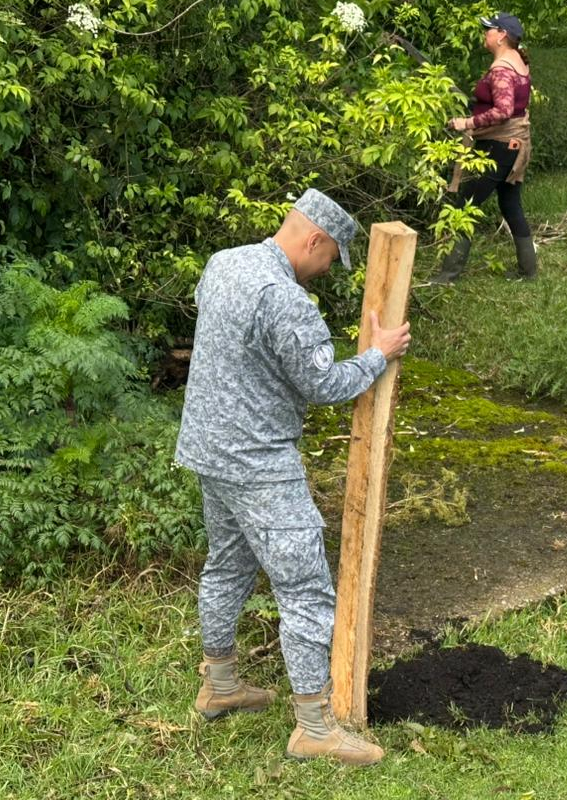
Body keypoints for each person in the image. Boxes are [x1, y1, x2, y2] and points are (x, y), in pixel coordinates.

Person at [174, 188, 411, 765]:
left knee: (227, 564)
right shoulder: (285, 299)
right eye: (330, 257)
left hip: (208, 448)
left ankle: (220, 685)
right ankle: (314, 727)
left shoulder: (224, 263)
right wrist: (377, 354)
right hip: (258, 463)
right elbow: (323, 385)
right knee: (305, 588)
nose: (328, 270)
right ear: (314, 240)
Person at [433, 11, 536, 283]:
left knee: (464, 207)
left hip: (498, 148)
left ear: (502, 35)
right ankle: (529, 271)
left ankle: (448, 275)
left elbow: (503, 111)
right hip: (514, 146)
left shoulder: (502, 68)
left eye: (489, 29)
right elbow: (509, 105)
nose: (485, 33)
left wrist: (466, 122)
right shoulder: (517, 61)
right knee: (510, 204)